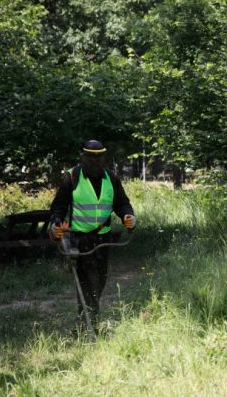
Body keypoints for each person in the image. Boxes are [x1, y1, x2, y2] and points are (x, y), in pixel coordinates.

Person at [49, 140, 136, 331]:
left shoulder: (111, 179)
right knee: (87, 282)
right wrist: (55, 224)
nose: (95, 161)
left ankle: (88, 318)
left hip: (102, 240)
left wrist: (128, 216)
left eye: (98, 157)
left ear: (104, 158)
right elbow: (58, 207)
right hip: (78, 239)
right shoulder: (71, 178)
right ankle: (87, 323)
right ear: (83, 157)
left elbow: (122, 203)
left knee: (99, 281)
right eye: (90, 157)